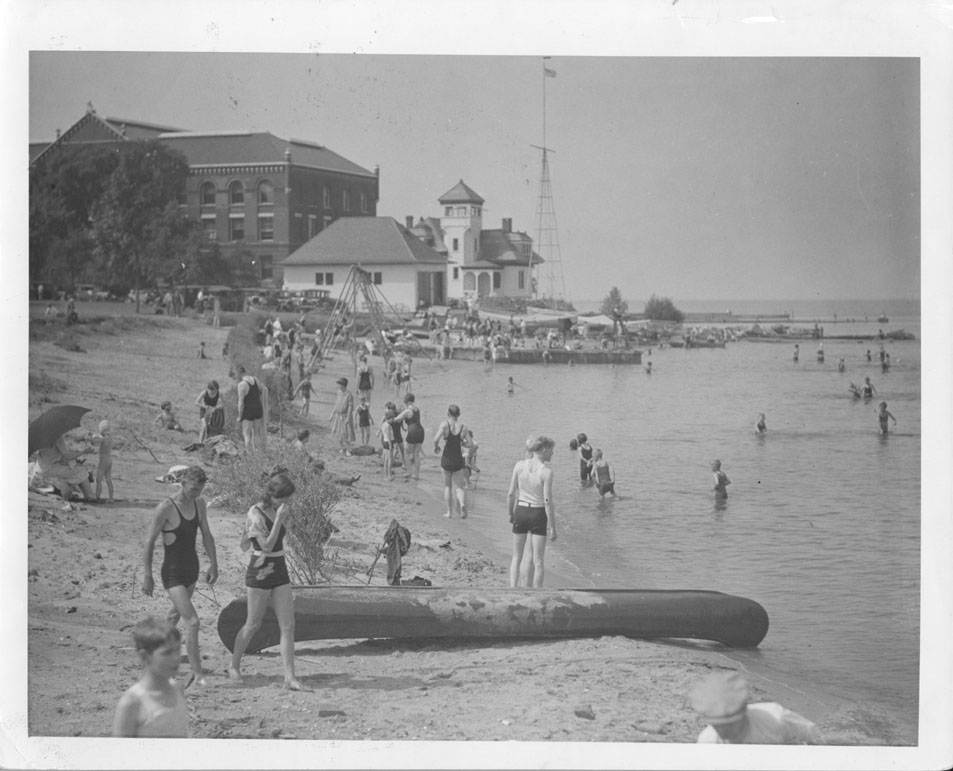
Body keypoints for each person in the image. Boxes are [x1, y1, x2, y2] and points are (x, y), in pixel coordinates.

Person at [228, 472, 308, 691]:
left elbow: (279, 543)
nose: (287, 502)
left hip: (279, 568)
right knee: (253, 623)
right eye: (284, 497)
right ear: (274, 494)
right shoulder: (256, 512)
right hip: (261, 569)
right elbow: (265, 545)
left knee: (288, 624)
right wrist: (280, 520)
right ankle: (234, 665)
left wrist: (282, 518)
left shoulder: (276, 510)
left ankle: (289, 677)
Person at [142, 465, 218, 687]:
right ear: (182, 483)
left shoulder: (199, 503)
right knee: (192, 622)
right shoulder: (166, 507)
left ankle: (156, 660)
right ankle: (197, 673)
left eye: (200, 490)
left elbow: (206, 533)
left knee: (172, 619)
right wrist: (148, 575)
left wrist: (214, 564)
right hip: (172, 573)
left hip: (191, 570)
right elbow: (149, 541)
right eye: (193, 489)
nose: (196, 493)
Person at [689, 671, 821, 745]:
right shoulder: (708, 742)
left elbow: (815, 738)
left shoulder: (775, 719)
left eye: (730, 724)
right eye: (717, 725)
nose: (723, 731)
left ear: (744, 713)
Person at [112, 618, 189, 737]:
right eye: (167, 653)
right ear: (145, 656)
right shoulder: (132, 703)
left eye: (178, 649)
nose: (176, 658)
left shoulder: (177, 689)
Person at [506, 435, 556, 587]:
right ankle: (536, 593)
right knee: (538, 560)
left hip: (521, 510)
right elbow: (548, 502)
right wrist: (553, 527)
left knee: (516, 556)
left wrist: (510, 513)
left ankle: (513, 588)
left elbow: (511, 493)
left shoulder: (519, 465)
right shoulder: (546, 472)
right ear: (544, 450)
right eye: (551, 451)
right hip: (537, 514)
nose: (552, 454)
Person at [35, 431, 95, 508]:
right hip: (50, 469)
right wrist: (84, 451)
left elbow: (49, 455)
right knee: (81, 470)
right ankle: (89, 496)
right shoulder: (57, 436)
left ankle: (65, 492)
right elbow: (67, 457)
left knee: (71, 468)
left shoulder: (41, 436)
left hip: (40, 468)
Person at [433, 404, 470, 518]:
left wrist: (436, 447)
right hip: (458, 459)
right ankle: (462, 504)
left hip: (447, 459)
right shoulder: (464, 427)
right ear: (458, 415)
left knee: (447, 486)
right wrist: (462, 443)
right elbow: (470, 444)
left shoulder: (445, 425)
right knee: (459, 487)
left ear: (448, 413)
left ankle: (449, 512)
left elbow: (436, 439)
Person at [235, 365, 269, 451]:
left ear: (239, 373)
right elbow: (261, 390)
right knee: (256, 433)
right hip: (258, 410)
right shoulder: (255, 379)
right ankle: (257, 455)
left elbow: (241, 403)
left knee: (246, 435)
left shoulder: (241, 385)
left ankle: (250, 456)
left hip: (248, 412)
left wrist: (239, 416)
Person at [395, 392, 425, 480]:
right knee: (416, 454)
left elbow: (398, 419)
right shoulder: (417, 409)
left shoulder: (408, 410)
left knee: (406, 452)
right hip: (421, 431)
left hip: (412, 431)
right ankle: (417, 475)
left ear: (406, 401)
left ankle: (409, 471)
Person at [329, 377, 355, 455]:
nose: (338, 386)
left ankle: (348, 449)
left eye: (339, 384)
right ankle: (342, 448)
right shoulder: (338, 392)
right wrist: (332, 415)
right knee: (338, 433)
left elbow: (350, 407)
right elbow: (336, 404)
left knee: (345, 434)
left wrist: (348, 418)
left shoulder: (349, 394)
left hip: (345, 416)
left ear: (343, 385)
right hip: (338, 416)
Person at [93, 419, 115, 502]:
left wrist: (93, 436)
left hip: (103, 460)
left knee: (99, 479)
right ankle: (111, 498)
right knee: (108, 479)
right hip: (109, 459)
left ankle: (97, 497)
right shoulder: (110, 437)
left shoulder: (103, 438)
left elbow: (96, 440)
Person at [378, 407, 396, 480]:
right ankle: (389, 475)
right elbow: (388, 436)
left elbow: (382, 435)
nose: (393, 420)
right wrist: (390, 445)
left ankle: (385, 474)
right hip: (388, 442)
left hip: (384, 442)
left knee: (386, 459)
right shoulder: (388, 425)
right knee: (389, 459)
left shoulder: (383, 424)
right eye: (392, 418)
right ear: (389, 418)